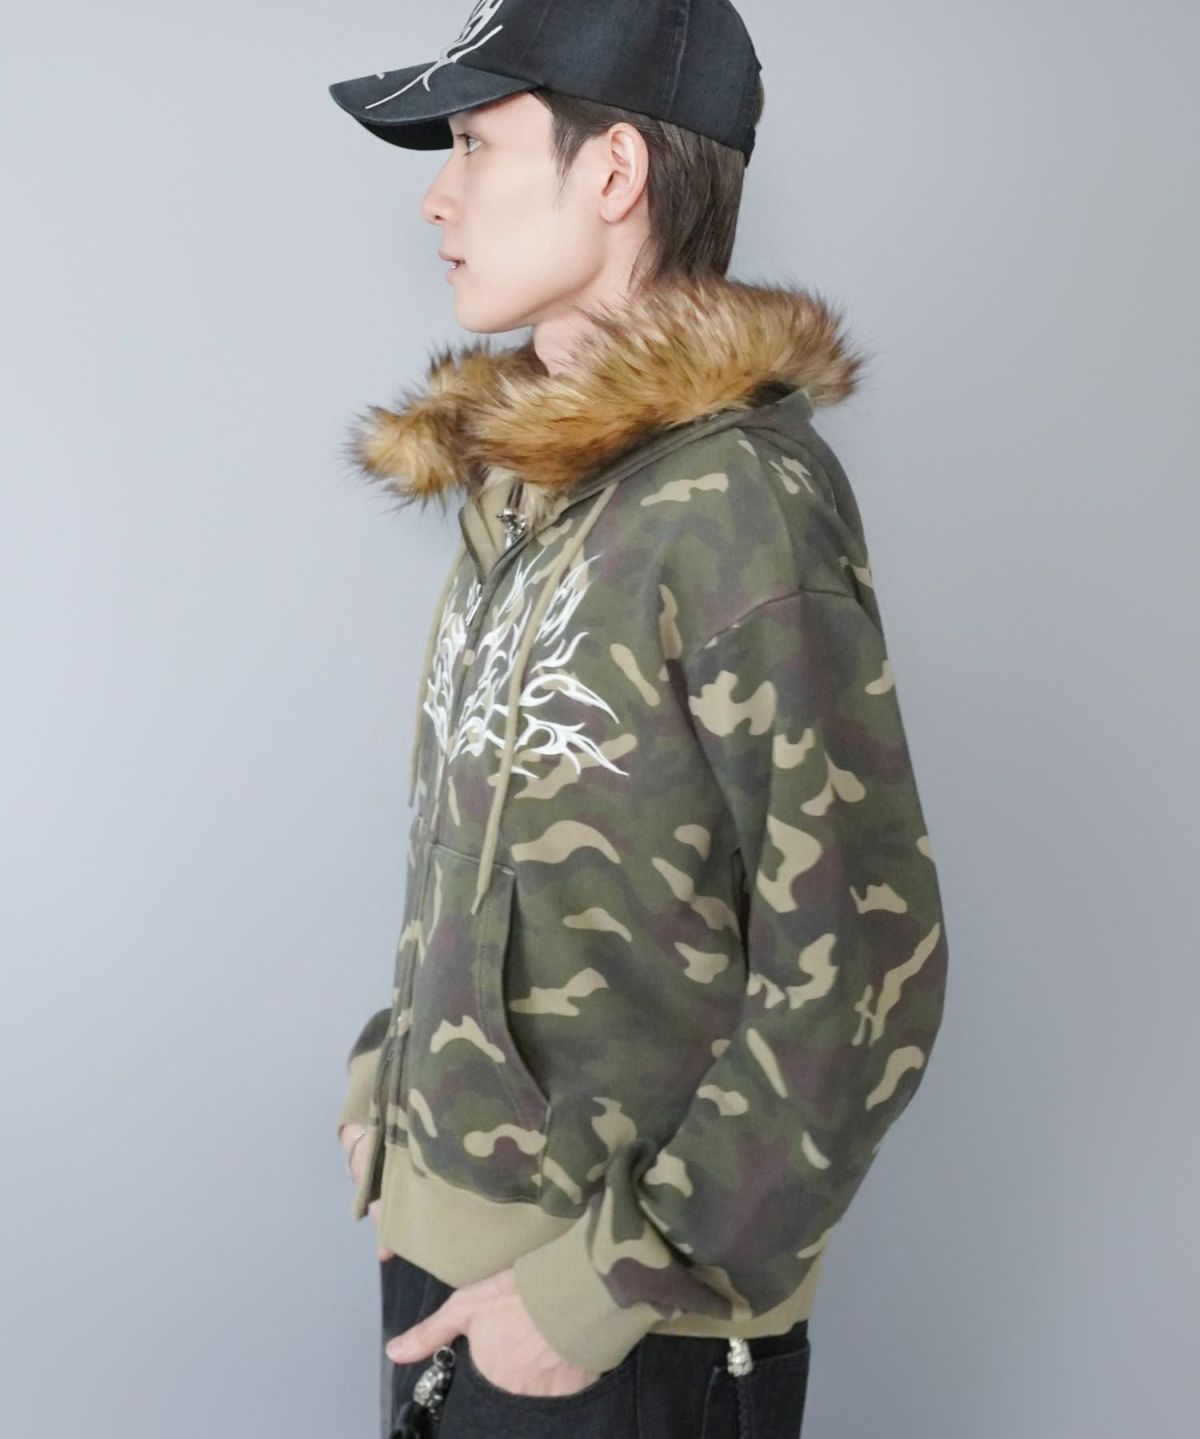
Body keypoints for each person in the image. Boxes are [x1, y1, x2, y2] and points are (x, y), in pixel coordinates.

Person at [327, 2, 950, 1434]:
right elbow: (491, 848)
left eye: (476, 144)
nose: (436, 197)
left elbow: (867, 967)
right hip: (448, 1258)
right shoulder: (525, 486)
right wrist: (392, 1083)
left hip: (615, 1321)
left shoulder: (739, 503)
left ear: (612, 172)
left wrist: (604, 1287)